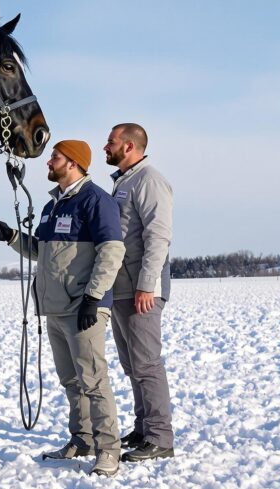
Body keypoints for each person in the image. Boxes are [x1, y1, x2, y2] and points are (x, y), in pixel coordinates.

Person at [0, 140, 125, 476]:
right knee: (71, 381)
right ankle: (82, 439)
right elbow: (42, 250)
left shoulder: (95, 201)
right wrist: (11, 236)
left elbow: (112, 251)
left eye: (55, 157)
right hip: (55, 307)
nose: (49, 161)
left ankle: (108, 450)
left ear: (73, 163)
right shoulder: (52, 206)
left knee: (93, 380)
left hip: (84, 307)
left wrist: (93, 298)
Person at [103, 123, 175, 462]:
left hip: (140, 289)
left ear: (129, 146)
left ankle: (160, 437)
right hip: (121, 288)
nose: (106, 146)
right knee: (131, 364)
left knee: (146, 364)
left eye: (111, 141)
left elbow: (158, 237)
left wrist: (148, 284)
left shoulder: (150, 181)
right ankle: (143, 427)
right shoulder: (123, 181)